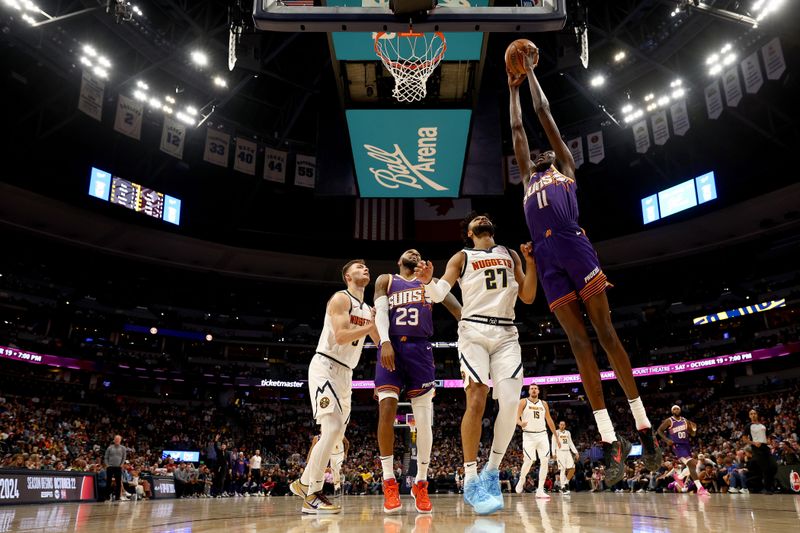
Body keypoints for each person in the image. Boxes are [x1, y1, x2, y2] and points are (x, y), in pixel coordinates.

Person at [507, 45, 661, 487]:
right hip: (548, 256)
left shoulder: (566, 168)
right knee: (578, 344)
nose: (538, 152)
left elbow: (544, 113)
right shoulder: (526, 177)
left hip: (575, 246)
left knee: (606, 333)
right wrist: (510, 88)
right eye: (533, 154)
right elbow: (518, 124)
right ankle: (611, 440)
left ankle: (644, 427)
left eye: (544, 152)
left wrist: (532, 73)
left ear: (555, 157)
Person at [414, 213, 538, 515]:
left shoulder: (509, 253)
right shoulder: (462, 256)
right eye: (476, 220)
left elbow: (529, 296)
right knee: (477, 396)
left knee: (510, 403)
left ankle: (491, 472)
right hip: (473, 331)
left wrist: (531, 262)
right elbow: (441, 293)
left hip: (507, 332)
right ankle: (470, 477)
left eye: (485, 216)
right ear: (469, 232)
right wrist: (428, 282)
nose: (482, 218)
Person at [373, 248, 462, 514]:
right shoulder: (386, 280)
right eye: (408, 251)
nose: (413, 251)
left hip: (420, 350)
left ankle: (421, 482)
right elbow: (379, 314)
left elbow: (459, 310)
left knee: (424, 421)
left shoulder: (431, 284)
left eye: (418, 251)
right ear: (399, 261)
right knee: (387, 410)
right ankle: (389, 479)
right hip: (391, 349)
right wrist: (385, 341)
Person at [290, 259, 378, 515]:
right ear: (347, 276)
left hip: (346, 373)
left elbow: (380, 341)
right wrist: (371, 325)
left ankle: (304, 482)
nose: (365, 269)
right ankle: (312, 494)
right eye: (358, 267)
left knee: (336, 434)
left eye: (366, 267)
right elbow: (340, 336)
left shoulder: (367, 308)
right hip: (326, 365)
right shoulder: (340, 299)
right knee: (332, 427)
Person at [514, 384, 557, 499]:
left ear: (538, 391)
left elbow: (549, 419)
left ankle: (540, 489)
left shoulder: (544, 404)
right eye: (531, 388)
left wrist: (556, 436)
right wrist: (520, 423)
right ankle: (521, 479)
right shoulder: (523, 402)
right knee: (529, 460)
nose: (534, 390)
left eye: (535, 388)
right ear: (529, 391)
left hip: (542, 434)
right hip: (529, 435)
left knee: (545, 461)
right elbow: (516, 417)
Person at [657, 405, 708, 496]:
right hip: (677, 445)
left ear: (680, 410)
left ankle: (679, 478)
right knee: (692, 464)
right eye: (674, 409)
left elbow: (692, 434)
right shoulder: (669, 420)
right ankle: (700, 488)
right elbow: (659, 431)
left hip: (686, 445)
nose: (676, 410)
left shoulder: (685, 420)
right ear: (672, 411)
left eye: (678, 409)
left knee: (692, 466)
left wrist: (694, 429)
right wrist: (666, 440)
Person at [743, 408, 777, 493]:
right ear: (749, 416)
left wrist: (769, 440)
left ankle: (769, 485)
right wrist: (754, 443)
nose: (753, 415)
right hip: (757, 448)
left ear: (757, 415)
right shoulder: (748, 426)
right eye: (751, 414)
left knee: (773, 466)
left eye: (754, 413)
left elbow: (767, 435)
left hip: (765, 447)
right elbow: (744, 439)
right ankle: (768, 488)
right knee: (766, 468)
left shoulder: (763, 425)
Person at [552, 420, 580, 494]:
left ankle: (566, 482)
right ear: (559, 425)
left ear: (565, 426)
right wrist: (553, 453)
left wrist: (576, 452)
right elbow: (553, 443)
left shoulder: (568, 433)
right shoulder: (556, 432)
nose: (562, 426)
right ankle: (562, 487)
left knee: (573, 468)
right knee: (563, 469)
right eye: (561, 424)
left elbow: (571, 443)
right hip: (560, 452)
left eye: (563, 425)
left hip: (567, 452)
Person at [104, 434, 126, 501]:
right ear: (114, 440)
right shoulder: (110, 447)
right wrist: (107, 465)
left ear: (120, 440)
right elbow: (106, 457)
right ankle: (107, 496)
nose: (117, 440)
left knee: (118, 482)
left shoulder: (123, 448)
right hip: (110, 467)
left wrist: (121, 464)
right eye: (116, 439)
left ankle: (117, 497)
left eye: (118, 439)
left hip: (118, 467)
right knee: (108, 482)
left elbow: (124, 457)